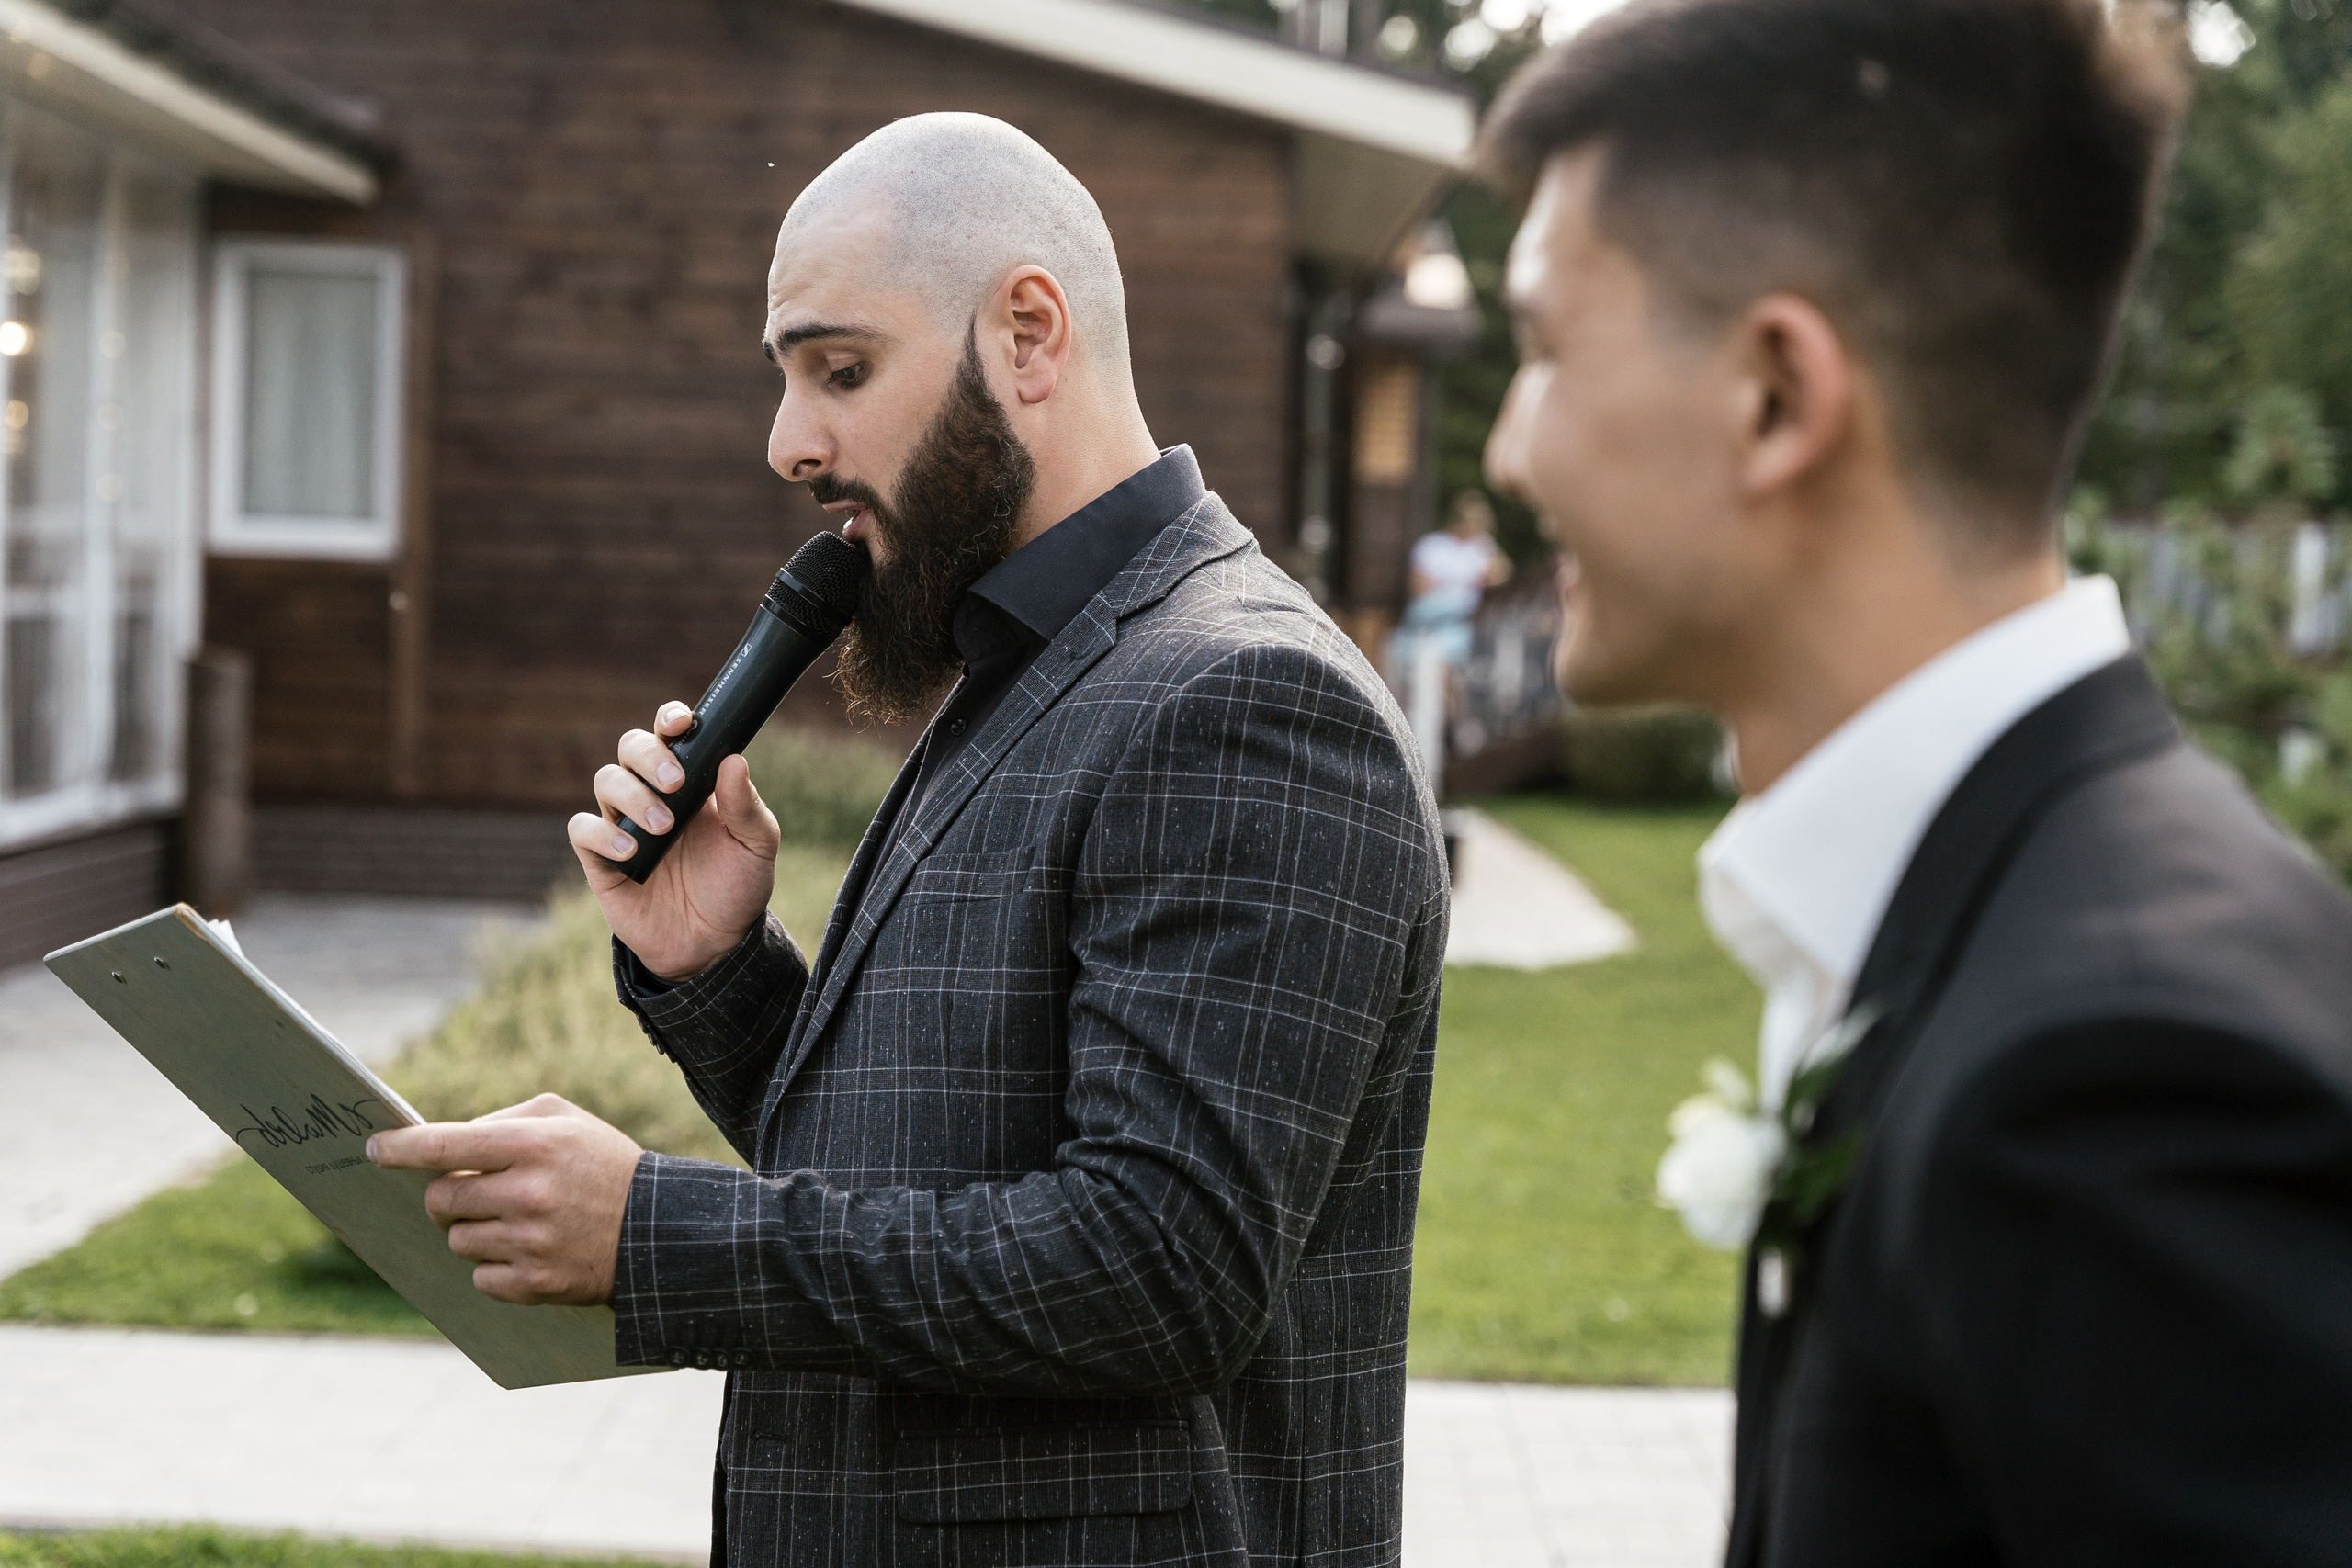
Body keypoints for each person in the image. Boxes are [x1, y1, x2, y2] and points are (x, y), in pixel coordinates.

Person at [367, 113, 1448, 1567]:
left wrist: (655, 1237)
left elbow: (1159, 1265)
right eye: (789, 379)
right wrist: (722, 974)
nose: (788, 441)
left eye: (842, 369)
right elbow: (943, 1159)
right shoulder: (1026, 655)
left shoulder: (1243, 698)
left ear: (1027, 334)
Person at [1479, 3, 2352, 1564]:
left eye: (1544, 348)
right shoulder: (1984, 912)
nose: (1506, 453)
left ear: (1776, 398)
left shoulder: (2122, 1080)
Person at [1401, 490, 1513, 666]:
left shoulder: (1482, 547)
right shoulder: (1433, 545)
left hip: (1461, 619)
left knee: (1459, 636)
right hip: (1432, 612)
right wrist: (1469, 582)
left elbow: (1502, 575)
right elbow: (1419, 588)